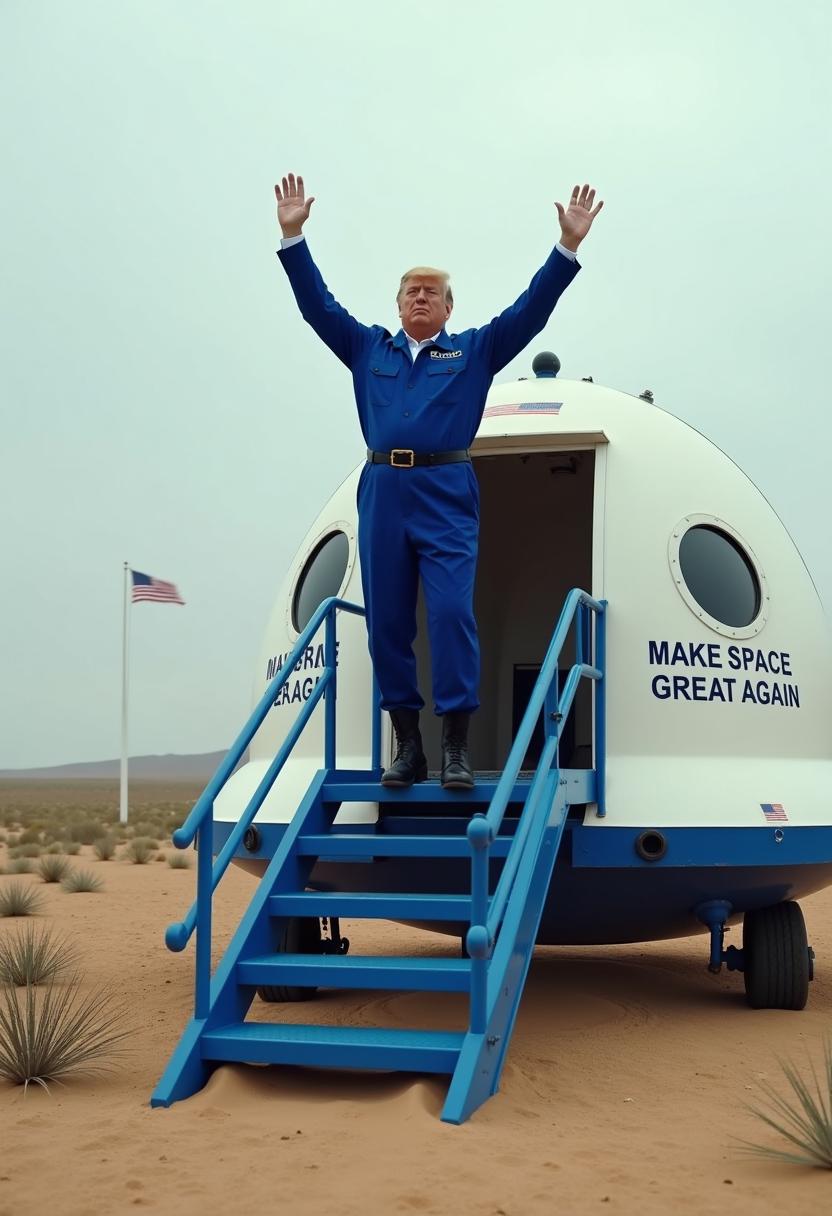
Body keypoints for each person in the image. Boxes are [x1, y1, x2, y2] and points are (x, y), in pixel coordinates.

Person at [275, 174, 603, 791]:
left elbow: (530, 311)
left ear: (449, 308)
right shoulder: (367, 349)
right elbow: (318, 306)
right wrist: (294, 238)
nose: (421, 298)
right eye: (411, 291)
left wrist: (567, 248)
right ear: (398, 306)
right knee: (387, 623)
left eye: (432, 292)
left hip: (446, 489)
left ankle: (455, 743)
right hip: (382, 490)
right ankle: (409, 745)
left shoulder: (473, 351)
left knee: (451, 612)